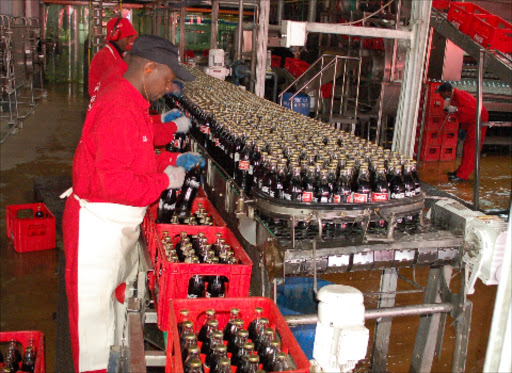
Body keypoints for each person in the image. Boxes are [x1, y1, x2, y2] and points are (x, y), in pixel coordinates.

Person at [62, 35, 204, 372]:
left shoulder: (132, 102)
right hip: (96, 230)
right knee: (92, 329)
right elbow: (116, 183)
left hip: (114, 226)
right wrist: (164, 180)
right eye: (168, 79)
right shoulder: (118, 107)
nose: (170, 88)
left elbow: (133, 160)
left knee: (111, 317)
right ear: (148, 68)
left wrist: (168, 161)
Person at [435, 82, 488, 182]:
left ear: (447, 92)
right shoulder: (454, 97)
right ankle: (460, 171)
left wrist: (456, 109)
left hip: (478, 120)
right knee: (466, 147)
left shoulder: (459, 95)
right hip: (472, 121)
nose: (441, 96)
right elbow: (467, 112)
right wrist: (463, 128)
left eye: (441, 93)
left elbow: (473, 110)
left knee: (471, 148)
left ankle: (463, 175)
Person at [88, 16, 137, 97]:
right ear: (115, 35)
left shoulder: (117, 54)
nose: (130, 41)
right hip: (104, 102)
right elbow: (119, 83)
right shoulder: (105, 56)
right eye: (128, 37)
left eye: (131, 37)